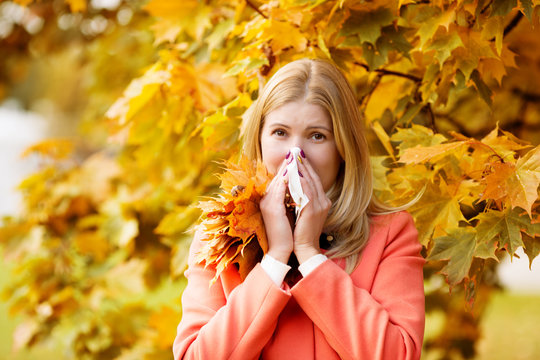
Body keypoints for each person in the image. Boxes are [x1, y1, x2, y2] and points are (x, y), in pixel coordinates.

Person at [173, 59, 425, 360]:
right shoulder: (218, 236)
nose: (296, 154)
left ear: (343, 148)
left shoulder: (390, 234)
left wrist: (309, 253)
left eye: (317, 135)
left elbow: (397, 355)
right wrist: (275, 259)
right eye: (280, 132)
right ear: (260, 140)